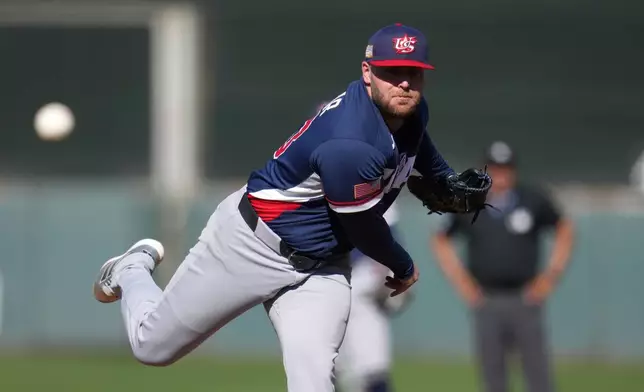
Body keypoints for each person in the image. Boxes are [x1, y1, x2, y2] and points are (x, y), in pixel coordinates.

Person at [93, 23, 470, 392]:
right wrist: (402, 265)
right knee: (152, 347)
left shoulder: (410, 111)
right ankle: (132, 269)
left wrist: (446, 177)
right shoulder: (350, 141)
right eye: (393, 71)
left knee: (314, 379)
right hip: (251, 245)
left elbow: (419, 144)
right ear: (368, 73)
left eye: (414, 73)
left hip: (322, 267)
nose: (405, 82)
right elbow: (362, 227)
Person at [430, 141, 575, 392]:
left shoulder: (532, 199)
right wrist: (463, 284)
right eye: (494, 168)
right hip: (487, 299)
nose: (500, 175)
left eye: (505, 168)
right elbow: (441, 238)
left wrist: (550, 277)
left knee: (538, 375)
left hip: (525, 298)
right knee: (493, 376)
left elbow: (564, 229)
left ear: (514, 170)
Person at [335, 200, 413, 392]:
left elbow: (391, 234)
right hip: (329, 283)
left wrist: (396, 270)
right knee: (327, 370)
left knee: (373, 371)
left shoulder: (378, 186)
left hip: (363, 288)